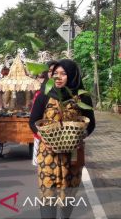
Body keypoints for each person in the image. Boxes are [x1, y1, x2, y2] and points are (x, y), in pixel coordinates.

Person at [29, 59, 95, 218]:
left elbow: (91, 124)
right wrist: (45, 139)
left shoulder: (82, 97)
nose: (58, 77)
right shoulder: (45, 93)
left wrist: (80, 137)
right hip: (48, 155)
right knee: (48, 196)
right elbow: (33, 121)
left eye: (63, 74)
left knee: (68, 198)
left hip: (72, 156)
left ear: (72, 76)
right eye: (55, 73)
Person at [31, 60, 58, 167]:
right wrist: (42, 137)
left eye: (56, 71)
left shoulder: (70, 94)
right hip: (45, 139)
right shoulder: (41, 94)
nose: (53, 74)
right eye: (50, 71)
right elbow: (33, 121)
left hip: (65, 141)